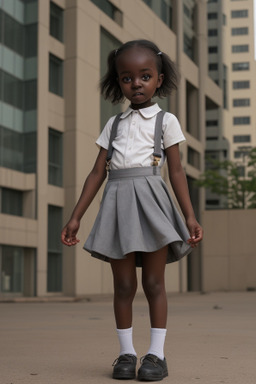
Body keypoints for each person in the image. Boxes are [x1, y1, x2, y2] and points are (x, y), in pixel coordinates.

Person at [61, 39, 203, 381]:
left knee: (154, 282)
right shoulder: (114, 125)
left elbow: (177, 172)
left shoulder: (166, 121)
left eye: (144, 76)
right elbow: (97, 172)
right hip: (118, 203)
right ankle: (126, 353)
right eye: (127, 77)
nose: (135, 83)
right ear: (118, 81)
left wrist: (189, 216)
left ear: (158, 78)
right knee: (123, 286)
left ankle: (157, 355)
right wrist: (76, 216)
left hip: (153, 203)